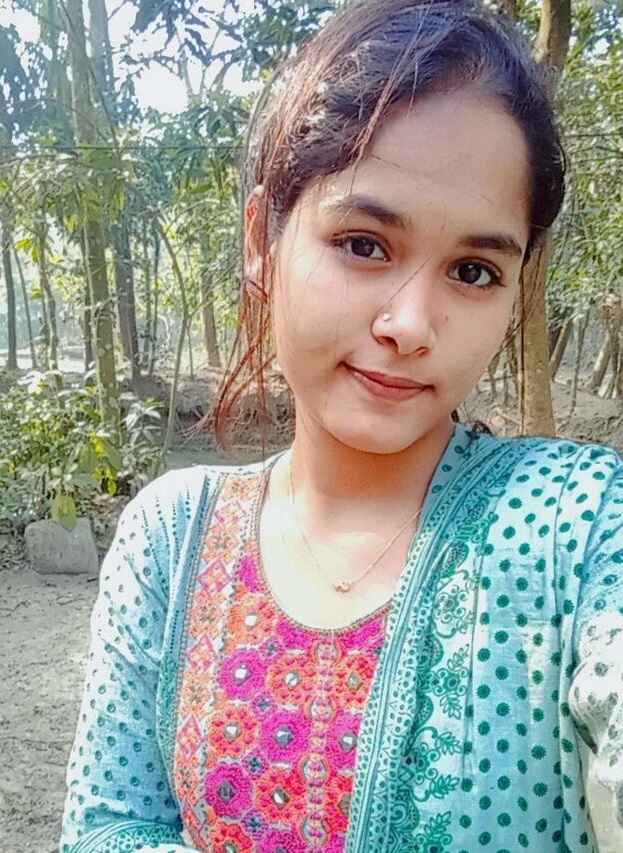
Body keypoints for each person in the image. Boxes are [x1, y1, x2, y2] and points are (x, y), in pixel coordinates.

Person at [60, 1, 623, 851]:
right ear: (263, 241)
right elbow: (108, 825)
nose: (412, 324)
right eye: (364, 244)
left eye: (474, 270)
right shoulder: (170, 540)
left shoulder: (573, 524)